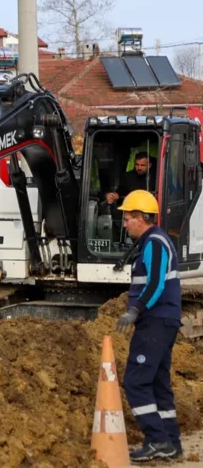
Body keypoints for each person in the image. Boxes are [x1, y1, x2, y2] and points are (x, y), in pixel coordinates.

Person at [115, 190, 182, 462]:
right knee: (157, 383)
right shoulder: (152, 242)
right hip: (163, 321)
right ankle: (171, 442)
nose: (125, 223)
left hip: (154, 322)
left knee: (135, 381)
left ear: (141, 218)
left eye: (128, 217)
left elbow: (156, 283)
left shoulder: (154, 242)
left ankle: (156, 440)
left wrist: (135, 310)